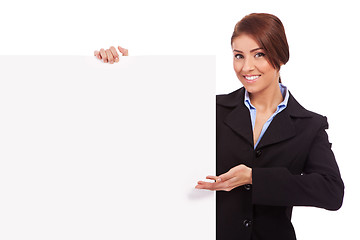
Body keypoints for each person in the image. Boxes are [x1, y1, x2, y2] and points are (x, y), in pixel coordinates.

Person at [94, 13, 344, 240]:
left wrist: (255, 177)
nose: (246, 67)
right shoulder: (211, 109)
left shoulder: (309, 125)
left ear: (280, 56)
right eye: (239, 56)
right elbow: (149, 126)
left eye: (259, 54)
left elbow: (332, 192)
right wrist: (124, 73)